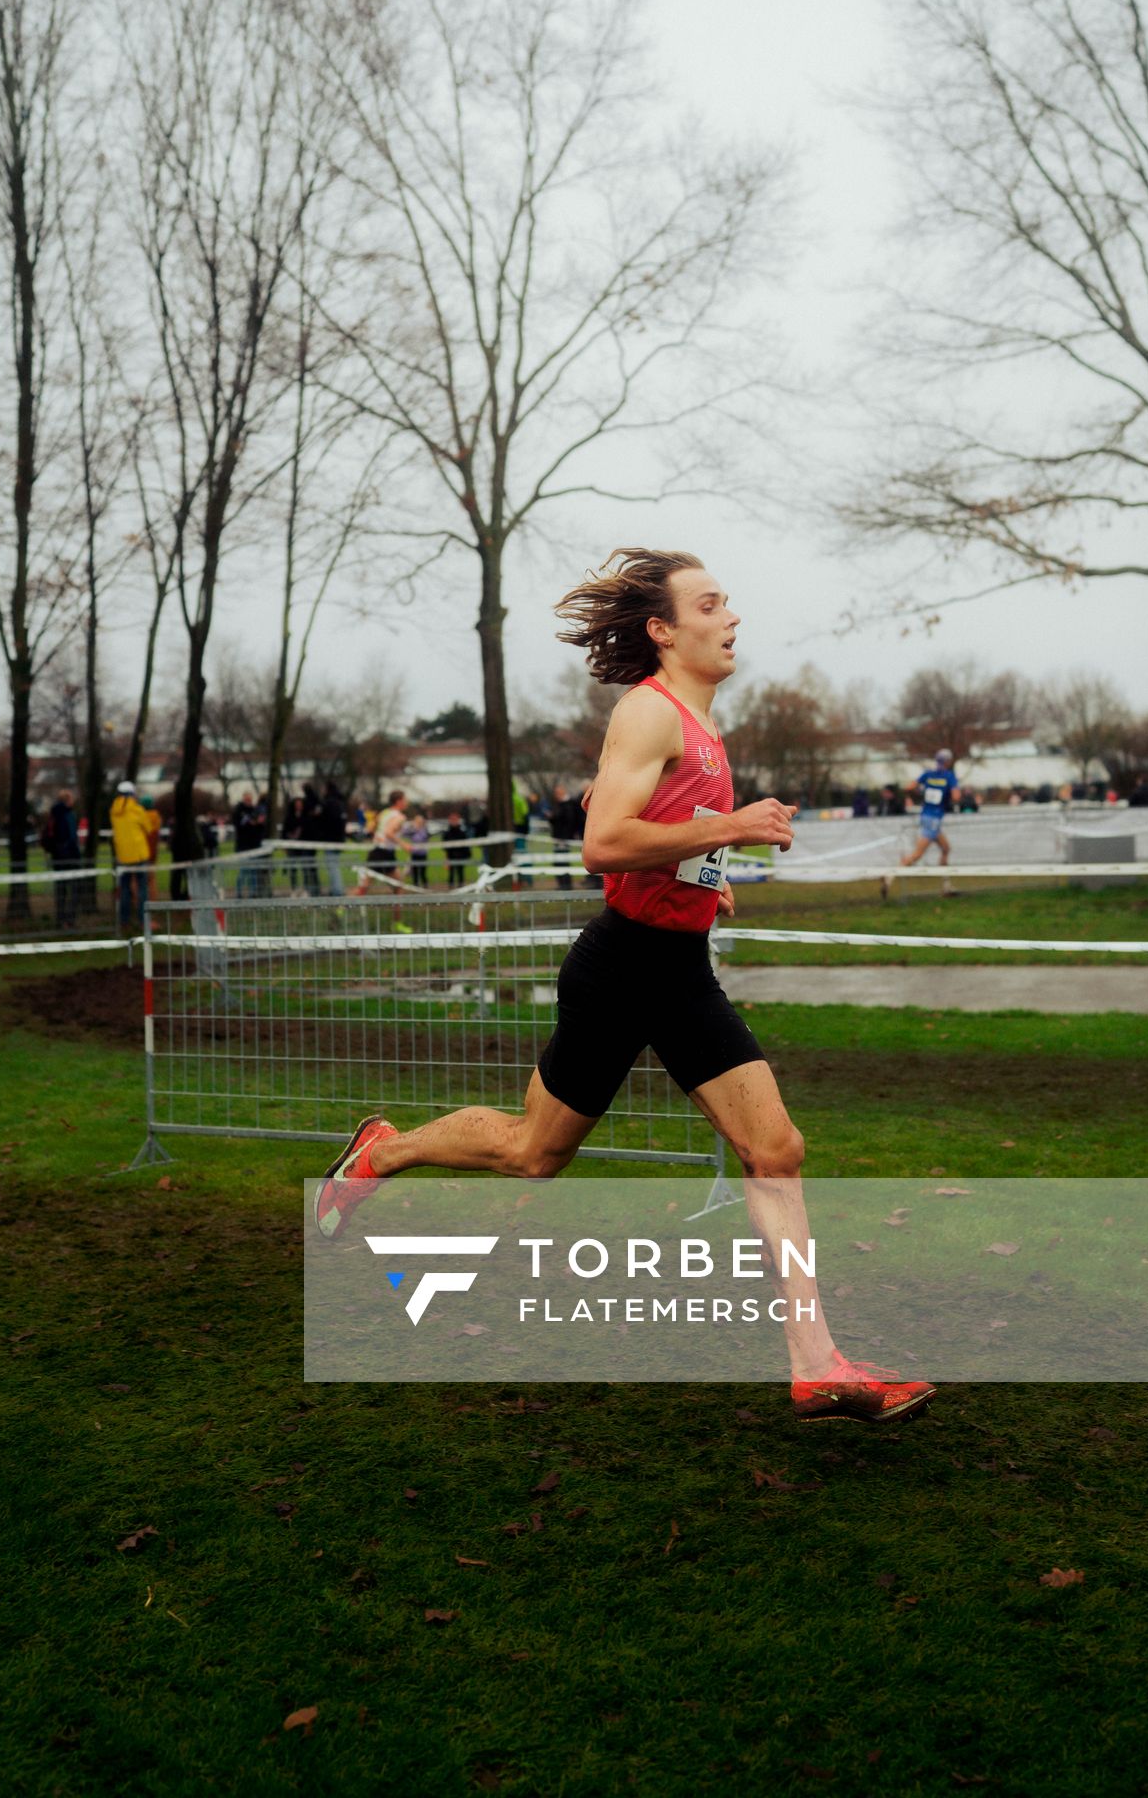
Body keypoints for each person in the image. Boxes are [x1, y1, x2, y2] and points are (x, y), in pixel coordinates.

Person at [314, 548, 935, 1427]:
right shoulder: (650, 714)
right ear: (663, 629)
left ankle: (816, 1364)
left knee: (776, 1150)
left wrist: (710, 879)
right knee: (536, 1152)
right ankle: (383, 1151)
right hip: (621, 969)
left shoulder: (702, 722)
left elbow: (669, 841)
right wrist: (736, 823)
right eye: (712, 604)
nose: (733, 617)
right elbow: (603, 843)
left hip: (676, 971)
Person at [900, 748, 961, 889]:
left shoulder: (928, 774)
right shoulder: (949, 776)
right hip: (934, 818)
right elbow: (956, 797)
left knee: (946, 848)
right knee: (917, 855)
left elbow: (909, 787)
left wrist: (922, 792)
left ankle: (947, 886)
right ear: (948, 761)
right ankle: (890, 875)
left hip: (926, 816)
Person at [110, 780, 152, 931]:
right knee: (142, 889)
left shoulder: (114, 810)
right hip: (139, 854)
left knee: (125, 889)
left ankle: (124, 922)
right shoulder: (137, 809)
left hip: (122, 856)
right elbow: (148, 827)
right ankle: (143, 921)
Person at [355, 789, 413, 893]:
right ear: (398, 801)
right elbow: (388, 833)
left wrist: (376, 837)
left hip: (378, 851)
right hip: (383, 853)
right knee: (397, 888)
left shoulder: (384, 812)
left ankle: (342, 907)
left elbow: (371, 827)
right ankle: (343, 906)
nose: (407, 802)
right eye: (405, 799)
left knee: (397, 887)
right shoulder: (400, 817)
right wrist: (404, 844)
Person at [44, 788, 82, 929]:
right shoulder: (68, 815)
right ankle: (69, 920)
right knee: (75, 889)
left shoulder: (53, 814)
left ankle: (60, 920)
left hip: (57, 857)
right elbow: (72, 837)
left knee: (60, 890)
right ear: (67, 801)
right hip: (70, 857)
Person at [232, 790, 266, 897]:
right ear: (243, 799)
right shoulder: (238, 811)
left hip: (254, 846)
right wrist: (252, 823)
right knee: (244, 871)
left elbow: (258, 827)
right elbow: (240, 826)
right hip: (243, 846)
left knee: (254, 873)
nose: (249, 801)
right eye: (247, 799)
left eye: (250, 800)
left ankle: (253, 894)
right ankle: (239, 893)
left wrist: (258, 823)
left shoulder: (254, 811)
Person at [548, 782, 582, 890]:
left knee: (562, 861)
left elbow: (569, 821)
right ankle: (562, 883)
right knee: (558, 861)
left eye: (558, 793)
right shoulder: (559, 804)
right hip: (558, 837)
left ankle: (566, 884)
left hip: (564, 838)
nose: (556, 795)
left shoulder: (569, 804)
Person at [319, 781, 349, 896]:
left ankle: (337, 891)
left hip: (331, 841)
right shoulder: (340, 803)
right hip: (338, 840)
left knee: (333, 866)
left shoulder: (330, 804)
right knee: (333, 865)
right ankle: (335, 889)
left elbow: (329, 823)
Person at [444, 807, 469, 888]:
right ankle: (451, 888)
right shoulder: (447, 833)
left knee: (460, 872)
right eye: (452, 819)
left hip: (460, 856)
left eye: (455, 819)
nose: (454, 821)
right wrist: (446, 859)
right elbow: (445, 847)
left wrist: (466, 855)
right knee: (451, 873)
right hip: (451, 856)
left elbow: (465, 846)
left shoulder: (462, 833)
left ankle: (461, 887)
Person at [407, 809, 430, 889]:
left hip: (423, 854)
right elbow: (406, 834)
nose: (419, 822)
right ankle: (415, 887)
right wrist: (414, 829)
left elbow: (423, 838)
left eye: (420, 821)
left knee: (423, 872)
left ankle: (425, 886)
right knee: (415, 871)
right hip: (414, 854)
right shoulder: (412, 830)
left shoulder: (425, 830)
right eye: (417, 821)